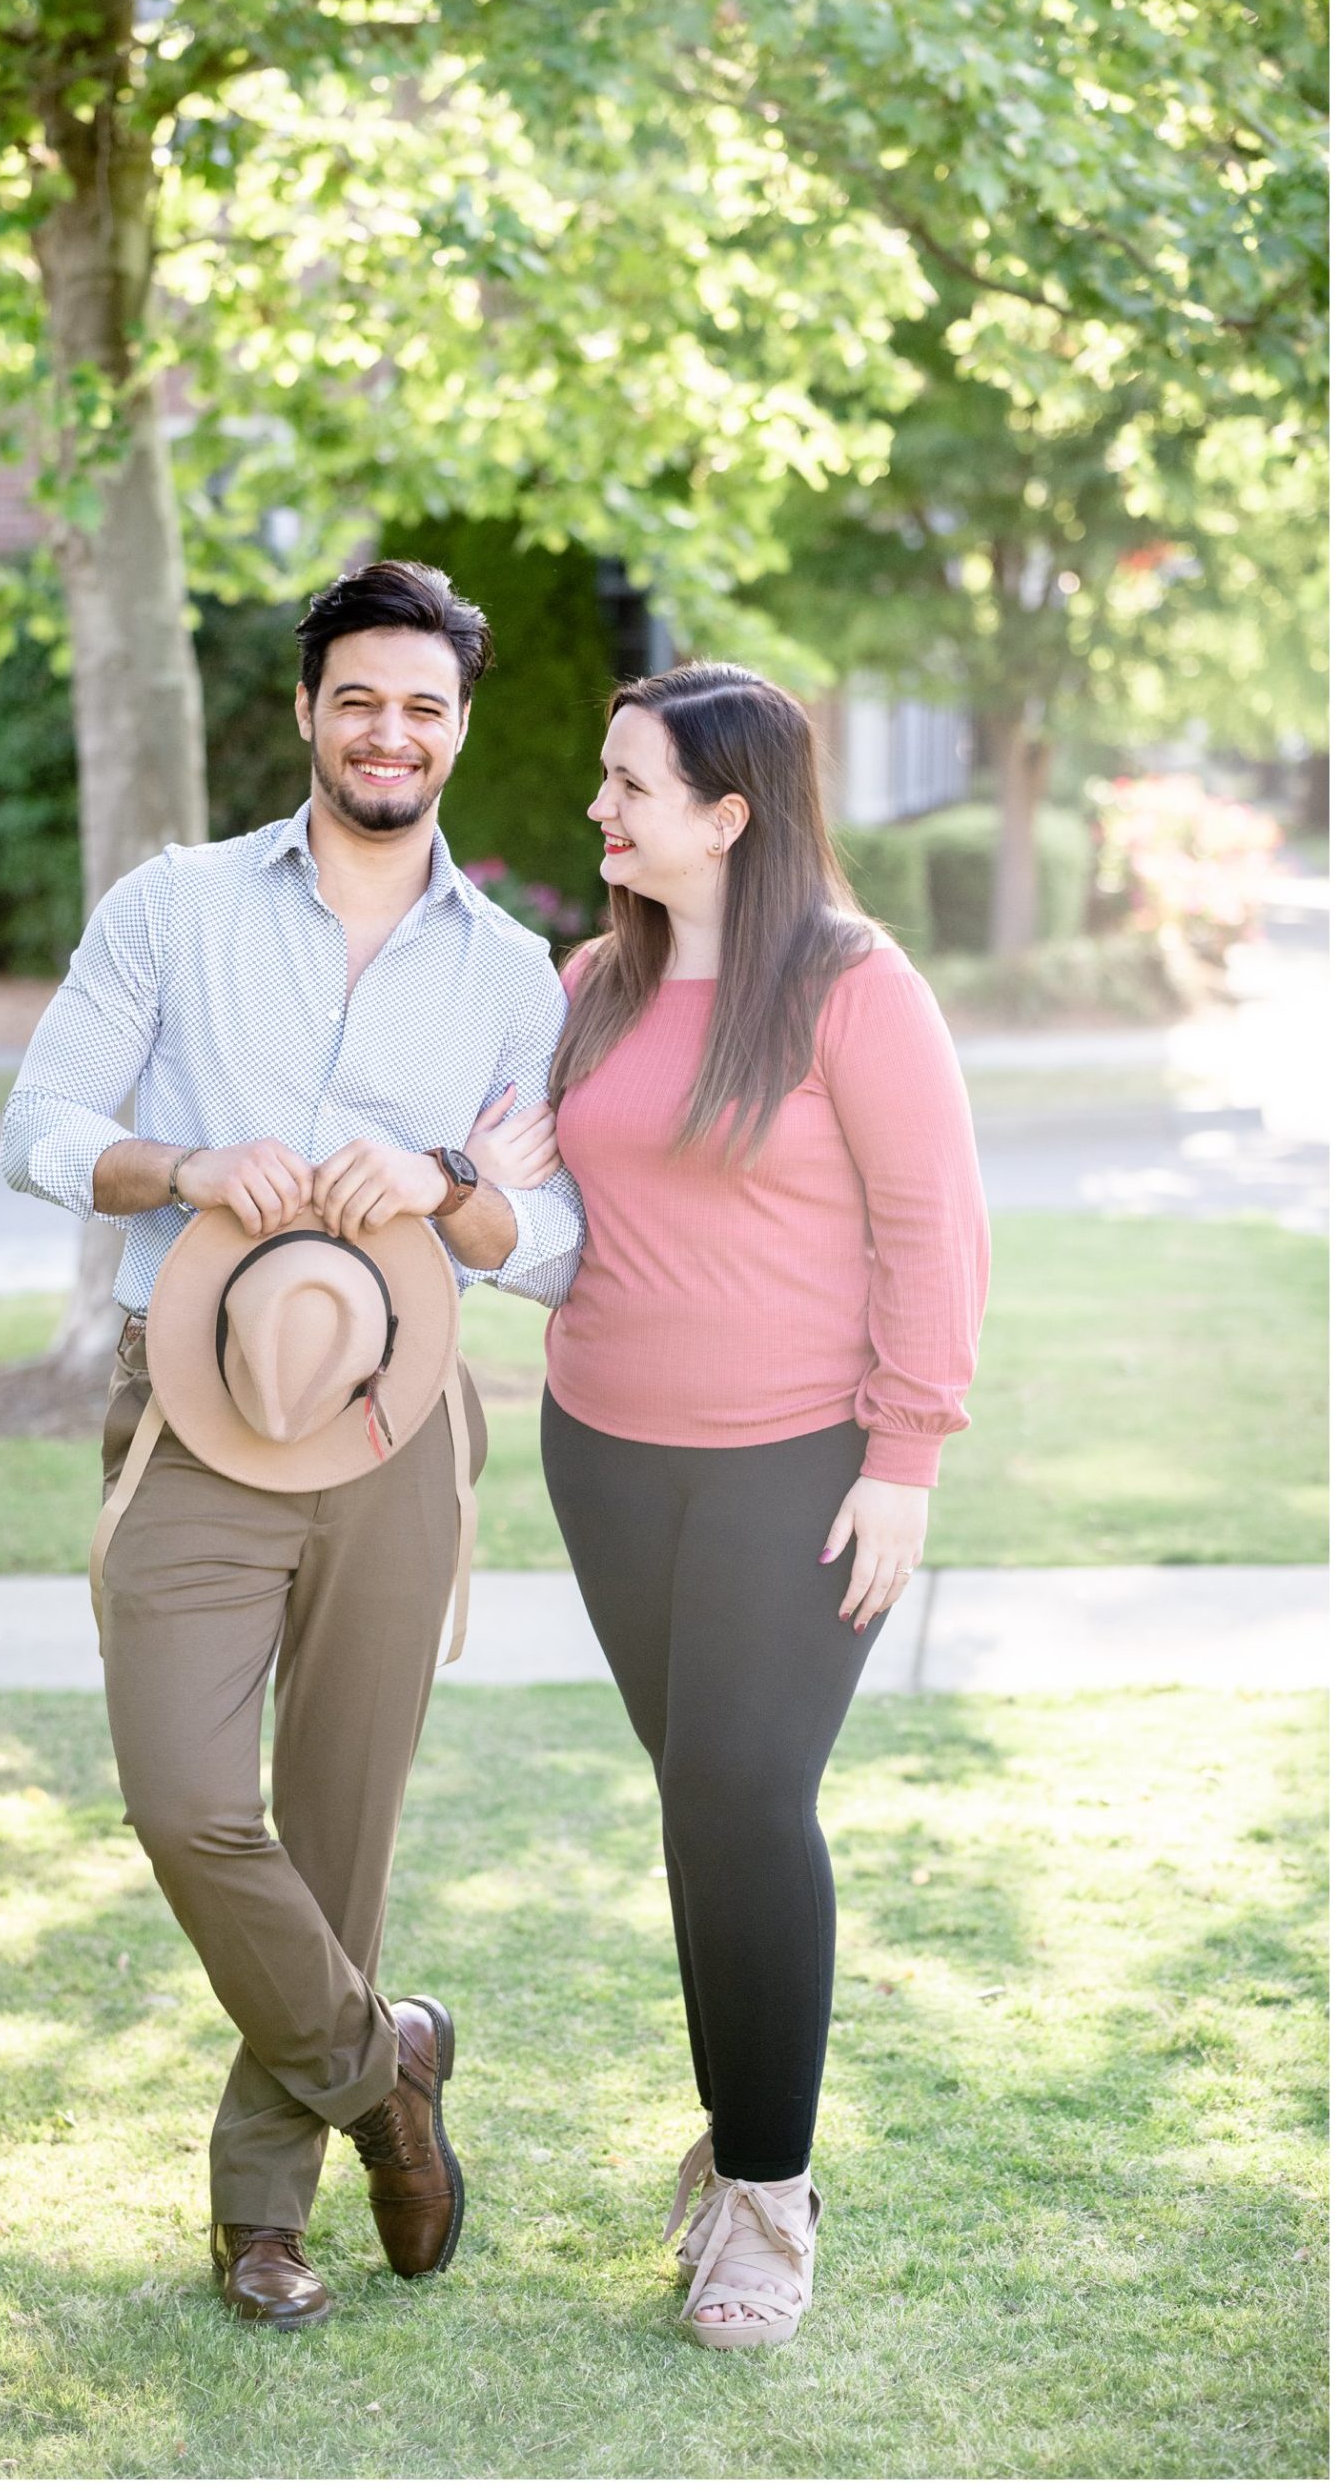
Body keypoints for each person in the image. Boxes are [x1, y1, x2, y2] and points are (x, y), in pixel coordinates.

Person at [1, 560, 581, 2330]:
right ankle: (380, 2060)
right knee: (183, 1798)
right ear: (310, 712)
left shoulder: (511, 977)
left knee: (339, 1824)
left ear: (458, 731)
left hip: (396, 1433)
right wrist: (181, 1167)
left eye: (423, 706)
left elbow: (550, 1249)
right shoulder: (174, 908)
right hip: (189, 1413)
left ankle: (268, 2212)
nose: (388, 732)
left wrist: (449, 1183)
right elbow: (41, 1121)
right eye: (359, 698)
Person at [533, 661, 989, 2346]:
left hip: (798, 1462)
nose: (600, 807)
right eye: (605, 777)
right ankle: (734, 2146)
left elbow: (934, 1229)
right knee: (697, 1806)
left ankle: (771, 2201)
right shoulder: (595, 979)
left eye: (631, 786)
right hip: (601, 1451)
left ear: (729, 817)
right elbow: (540, 1194)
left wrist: (906, 1458)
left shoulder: (853, 989)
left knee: (741, 1789)